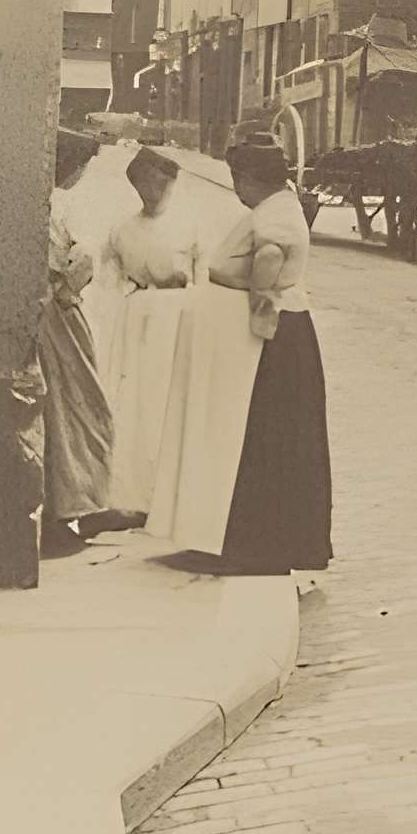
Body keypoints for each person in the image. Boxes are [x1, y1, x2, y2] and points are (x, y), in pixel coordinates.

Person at [148, 135, 331, 579]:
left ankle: (257, 548)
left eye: (238, 179)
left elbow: (268, 258)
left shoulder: (275, 214)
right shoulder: (278, 207)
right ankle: (242, 541)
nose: (236, 188)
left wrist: (257, 307)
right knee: (259, 441)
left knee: (259, 441)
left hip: (270, 343)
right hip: (276, 338)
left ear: (250, 178)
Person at [97, 146, 199, 523]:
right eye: (145, 184)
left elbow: (205, 281)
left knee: (172, 400)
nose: (153, 191)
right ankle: (134, 494)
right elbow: (107, 282)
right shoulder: (122, 231)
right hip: (137, 317)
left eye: (161, 183)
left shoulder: (189, 227)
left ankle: (175, 494)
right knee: (137, 403)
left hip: (178, 316)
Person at [41, 128, 117, 559]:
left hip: (43, 311)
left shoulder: (41, 201)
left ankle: (77, 505)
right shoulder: (64, 204)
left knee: (61, 408)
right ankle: (72, 507)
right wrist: (70, 289)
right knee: (81, 406)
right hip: (60, 314)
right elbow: (80, 259)